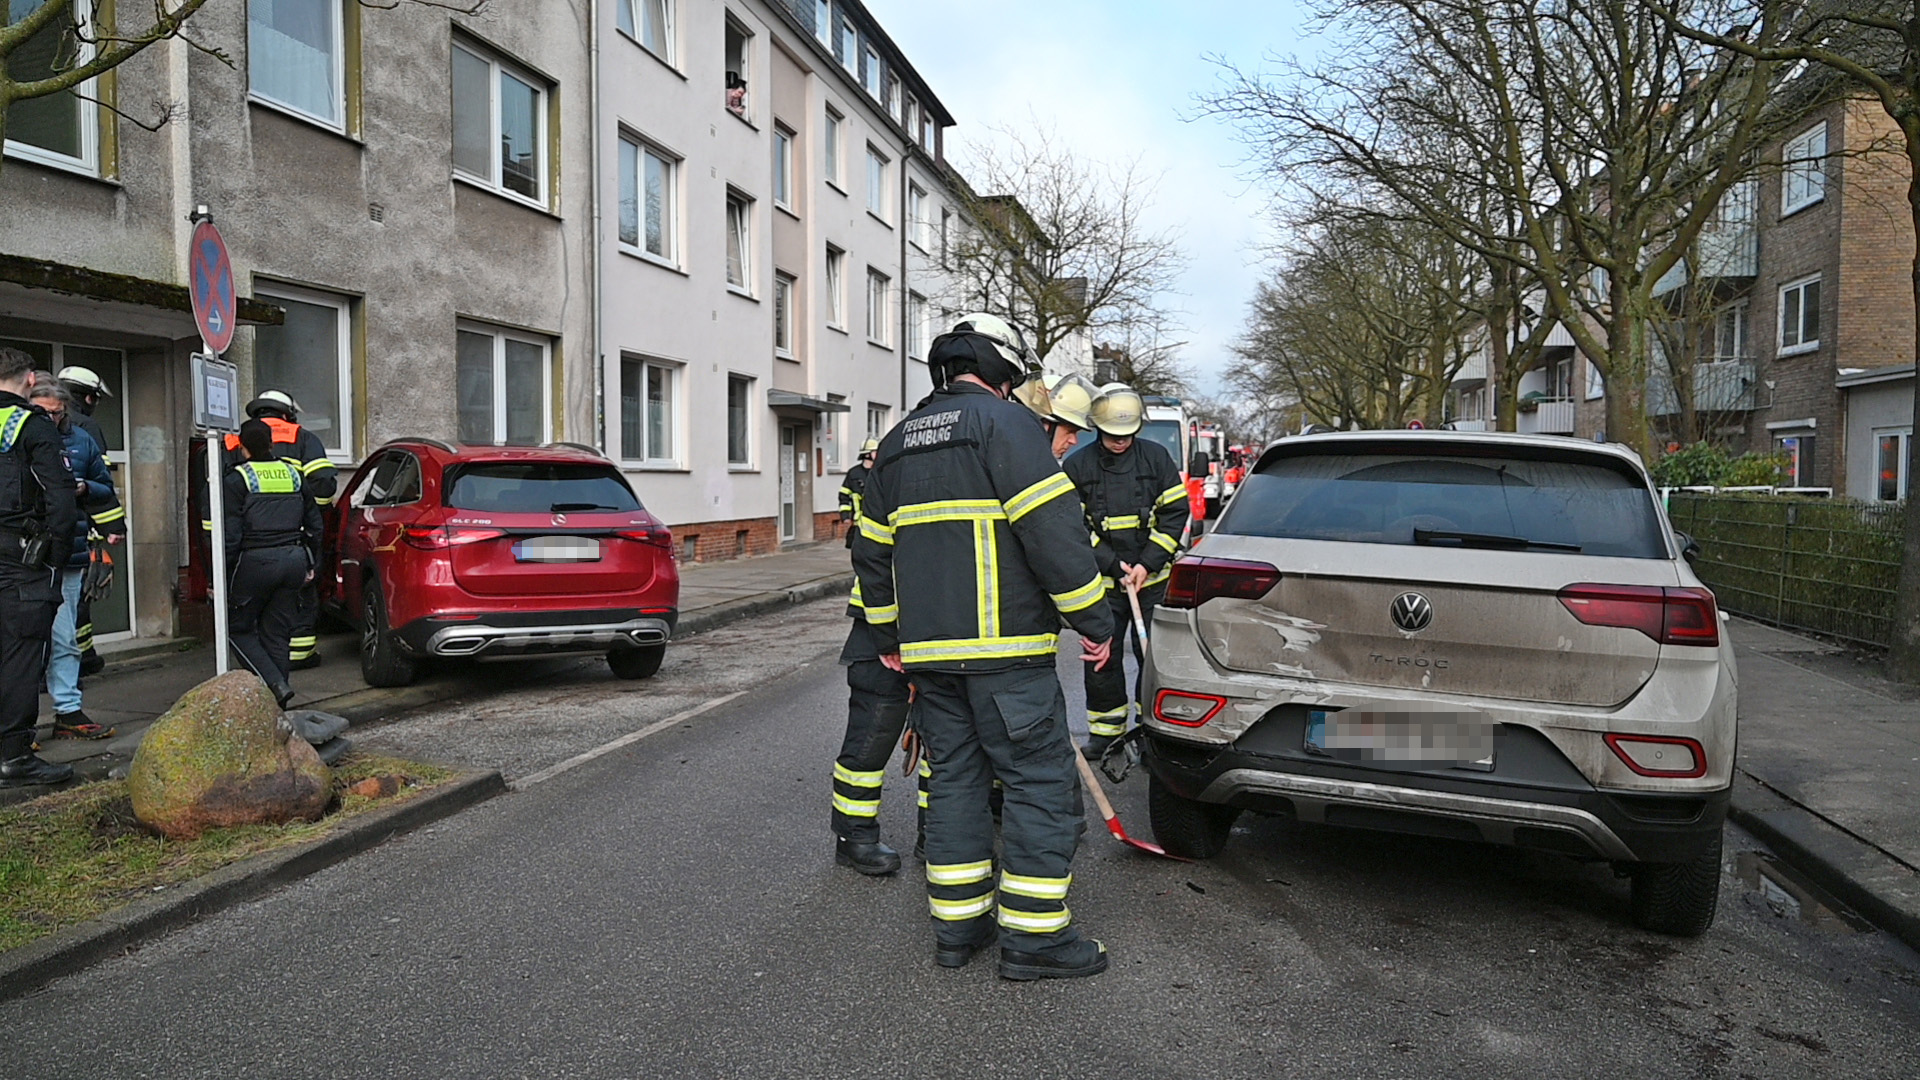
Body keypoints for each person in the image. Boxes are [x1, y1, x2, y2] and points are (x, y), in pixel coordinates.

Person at [852, 312, 1117, 981]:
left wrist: (888, 636)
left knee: (957, 787)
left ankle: (958, 929)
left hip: (932, 664)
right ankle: (1034, 940)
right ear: (1002, 371)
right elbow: (1054, 533)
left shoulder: (898, 440)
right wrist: (1095, 620)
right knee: (1037, 786)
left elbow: (872, 552)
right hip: (1008, 659)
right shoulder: (1008, 428)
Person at [1066, 383, 1188, 760]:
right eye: (1112, 435)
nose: (1121, 442)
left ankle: (1150, 732)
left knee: (1153, 660)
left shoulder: (1157, 459)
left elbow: (1174, 515)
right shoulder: (1077, 466)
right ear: (1098, 428)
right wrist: (1109, 563)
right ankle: (1105, 732)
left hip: (1151, 583)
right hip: (1103, 585)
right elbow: (1072, 525)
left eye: (1127, 435)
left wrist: (1146, 564)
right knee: (1101, 658)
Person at [209, 392, 336, 670]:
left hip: (249, 553)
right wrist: (304, 513)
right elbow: (324, 484)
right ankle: (294, 662)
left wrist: (217, 568)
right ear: (287, 412)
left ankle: (264, 672)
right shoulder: (302, 437)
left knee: (244, 616)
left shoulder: (229, 441)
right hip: (294, 548)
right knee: (294, 606)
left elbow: (218, 502)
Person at [27, 377, 122, 742]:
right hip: (24, 557)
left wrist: (84, 488)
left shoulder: (81, 440)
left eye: (57, 411)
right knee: (24, 643)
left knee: (66, 639)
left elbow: (105, 488)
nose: (51, 418)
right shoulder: (17, 440)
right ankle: (19, 725)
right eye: (43, 412)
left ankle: (67, 710)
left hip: (67, 555)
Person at [0, 349, 79, 787]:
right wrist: (57, 556)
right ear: (30, 379)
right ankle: (14, 757)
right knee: (19, 657)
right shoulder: (32, 426)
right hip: (21, 559)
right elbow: (60, 500)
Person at [223, 418, 324, 709]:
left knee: (237, 629)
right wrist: (312, 563)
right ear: (271, 443)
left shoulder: (237, 479)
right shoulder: (294, 474)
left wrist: (223, 575)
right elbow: (315, 525)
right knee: (277, 633)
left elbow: (231, 534)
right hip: (293, 561)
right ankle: (278, 705)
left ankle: (274, 685)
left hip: (255, 562)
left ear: (242, 447)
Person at [57, 365, 113, 676]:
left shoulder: (37, 420)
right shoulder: (86, 428)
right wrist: (109, 529)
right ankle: (79, 660)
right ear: (86, 396)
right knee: (78, 594)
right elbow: (100, 485)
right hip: (79, 528)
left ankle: (81, 656)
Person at [837, 438, 879, 549]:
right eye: (875, 452)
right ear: (867, 455)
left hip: (877, 521)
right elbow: (844, 496)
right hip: (858, 523)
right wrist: (845, 516)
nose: (878, 454)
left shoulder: (880, 472)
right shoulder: (854, 473)